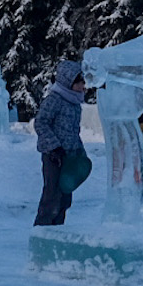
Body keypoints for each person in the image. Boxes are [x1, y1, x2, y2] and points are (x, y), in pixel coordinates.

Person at [33, 59, 88, 227]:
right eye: (78, 82)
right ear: (67, 81)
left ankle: (57, 230)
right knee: (52, 196)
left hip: (70, 156)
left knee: (65, 197)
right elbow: (41, 123)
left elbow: (73, 132)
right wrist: (53, 147)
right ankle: (42, 231)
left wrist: (80, 152)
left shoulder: (75, 103)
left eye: (82, 82)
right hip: (54, 156)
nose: (82, 86)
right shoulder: (54, 99)